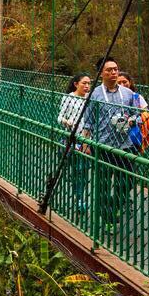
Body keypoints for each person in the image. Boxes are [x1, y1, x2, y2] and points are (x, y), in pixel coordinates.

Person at [82, 57, 137, 231]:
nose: (113, 72)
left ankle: (115, 206)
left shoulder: (128, 93)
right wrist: (85, 143)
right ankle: (108, 219)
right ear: (101, 73)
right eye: (109, 70)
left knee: (127, 182)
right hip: (103, 146)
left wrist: (131, 121)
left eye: (115, 69)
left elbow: (137, 115)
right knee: (103, 185)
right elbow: (88, 121)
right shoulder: (95, 94)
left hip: (125, 145)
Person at [59, 74, 92, 211]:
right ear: (76, 84)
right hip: (72, 138)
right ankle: (77, 197)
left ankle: (79, 197)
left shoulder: (91, 98)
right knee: (76, 170)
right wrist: (66, 122)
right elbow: (60, 117)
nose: (87, 86)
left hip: (87, 139)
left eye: (89, 83)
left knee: (83, 170)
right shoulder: (69, 98)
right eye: (84, 83)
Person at [117, 72, 149, 152]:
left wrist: (135, 120)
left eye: (124, 82)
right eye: (119, 82)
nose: (122, 85)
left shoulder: (137, 97)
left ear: (130, 82)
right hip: (116, 134)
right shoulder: (112, 97)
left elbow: (146, 114)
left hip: (133, 134)